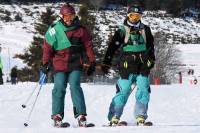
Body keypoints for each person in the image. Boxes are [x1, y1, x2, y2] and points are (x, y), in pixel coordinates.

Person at [42, 3, 96, 127]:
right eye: (66, 17)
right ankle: (57, 115)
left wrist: (92, 61)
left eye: (71, 16)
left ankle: (81, 115)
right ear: (62, 17)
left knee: (75, 86)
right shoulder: (54, 29)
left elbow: (88, 46)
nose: (69, 20)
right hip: (59, 64)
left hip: (75, 63)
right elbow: (47, 48)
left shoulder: (81, 30)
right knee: (59, 87)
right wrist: (45, 63)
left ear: (74, 16)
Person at [101, 4, 155, 126]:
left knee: (143, 89)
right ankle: (114, 116)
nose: (135, 19)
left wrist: (152, 60)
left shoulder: (145, 29)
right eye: (132, 16)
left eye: (137, 16)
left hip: (143, 64)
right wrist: (106, 62)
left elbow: (151, 46)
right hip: (127, 65)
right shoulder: (122, 30)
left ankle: (140, 115)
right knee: (124, 90)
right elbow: (112, 47)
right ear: (128, 16)